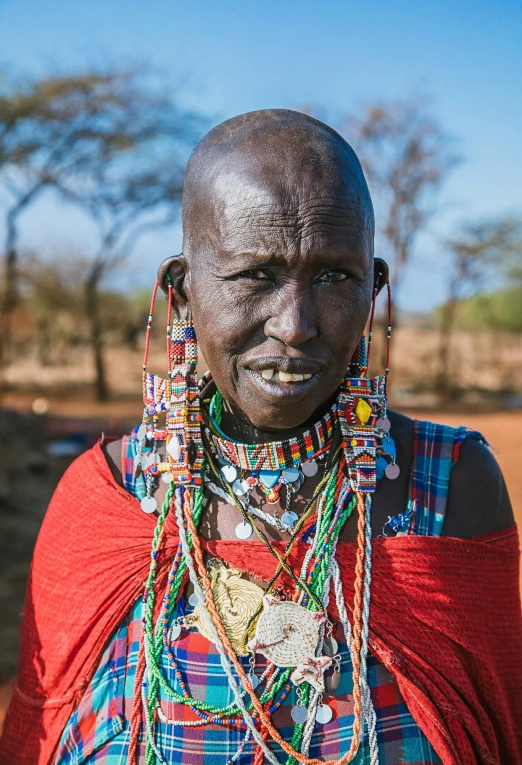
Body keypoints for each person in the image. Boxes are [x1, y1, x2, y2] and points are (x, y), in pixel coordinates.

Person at [1, 109, 521, 765]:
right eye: (255, 274)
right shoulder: (108, 501)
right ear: (183, 291)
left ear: (375, 288)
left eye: (334, 275)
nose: (296, 324)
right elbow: (36, 738)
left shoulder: (451, 486)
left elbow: (498, 732)